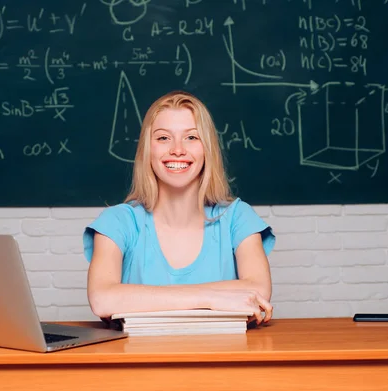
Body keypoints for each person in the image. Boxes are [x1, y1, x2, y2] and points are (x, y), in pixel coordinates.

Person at [83, 91, 275, 325]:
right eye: (163, 138)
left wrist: (146, 299)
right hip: (139, 357)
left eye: (191, 137)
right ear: (148, 149)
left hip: (224, 356)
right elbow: (102, 300)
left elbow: (258, 291)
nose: (177, 149)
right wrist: (212, 298)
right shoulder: (118, 221)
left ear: (207, 149)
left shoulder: (237, 217)